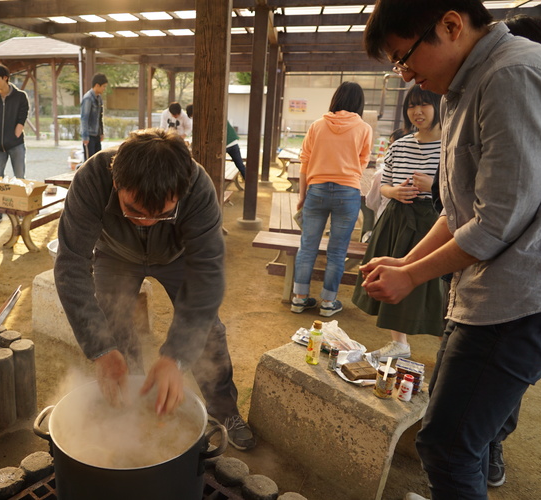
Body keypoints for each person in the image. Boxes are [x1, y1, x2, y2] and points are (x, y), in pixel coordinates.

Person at [363, 2, 541, 499]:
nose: (406, 76)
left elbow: (497, 222)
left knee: (449, 448)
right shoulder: (465, 87)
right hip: (483, 295)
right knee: (451, 438)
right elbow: (457, 208)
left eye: (404, 58)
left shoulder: (511, 75)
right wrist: (406, 262)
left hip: (516, 301)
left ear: (450, 24)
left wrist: (412, 276)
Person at [53, 128, 256, 451]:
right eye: (133, 210)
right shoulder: (91, 178)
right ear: (116, 182)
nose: (145, 221)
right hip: (116, 254)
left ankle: (224, 411)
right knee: (114, 327)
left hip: (177, 256)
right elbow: (70, 266)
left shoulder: (198, 187)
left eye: (161, 214)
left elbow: (206, 275)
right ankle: (130, 407)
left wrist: (176, 356)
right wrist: (101, 350)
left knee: (209, 332)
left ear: (181, 192)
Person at [352, 85, 444, 362]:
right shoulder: (400, 145)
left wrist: (433, 186)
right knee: (392, 275)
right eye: (411, 106)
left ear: (439, 107)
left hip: (434, 222)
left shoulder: (451, 146)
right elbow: (384, 184)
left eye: (424, 104)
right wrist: (394, 192)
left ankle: (448, 347)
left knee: (436, 285)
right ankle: (399, 343)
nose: (417, 111)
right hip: (397, 219)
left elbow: (463, 190)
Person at [289, 82, 372, 317]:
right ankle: (328, 302)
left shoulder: (317, 125)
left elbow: (305, 162)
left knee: (307, 247)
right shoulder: (364, 128)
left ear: (336, 99)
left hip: (316, 190)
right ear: (359, 103)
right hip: (348, 192)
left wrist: (302, 196)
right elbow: (363, 161)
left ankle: (299, 299)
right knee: (337, 251)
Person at [0, 63, 29, 225]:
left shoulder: (20, 96)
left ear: (5, 78)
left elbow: (22, 117)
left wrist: (15, 135)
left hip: (16, 144)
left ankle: (22, 208)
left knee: (20, 177)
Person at [80, 73, 108, 161]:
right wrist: (85, 136)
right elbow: (84, 118)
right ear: (97, 85)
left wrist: (101, 132)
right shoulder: (88, 98)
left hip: (96, 134)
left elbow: (100, 117)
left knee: (98, 160)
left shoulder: (99, 98)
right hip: (89, 135)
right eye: (103, 86)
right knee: (89, 161)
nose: (104, 89)